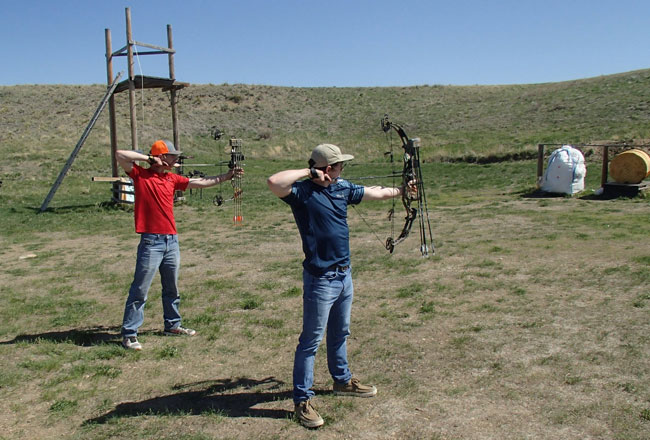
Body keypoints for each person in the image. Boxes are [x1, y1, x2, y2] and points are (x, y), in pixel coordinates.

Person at [267, 143, 410, 428]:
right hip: (321, 278)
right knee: (310, 341)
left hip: (344, 274)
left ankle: (341, 381)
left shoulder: (341, 187)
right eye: (339, 165)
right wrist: (310, 172)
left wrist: (403, 191)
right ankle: (302, 400)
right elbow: (274, 182)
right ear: (327, 168)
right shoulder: (302, 193)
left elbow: (377, 191)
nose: (343, 168)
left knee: (340, 331)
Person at [116, 139, 243, 350]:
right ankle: (130, 333)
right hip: (151, 242)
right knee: (140, 289)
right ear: (161, 157)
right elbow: (120, 154)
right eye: (172, 155)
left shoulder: (172, 179)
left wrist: (227, 176)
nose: (176, 159)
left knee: (171, 288)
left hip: (171, 241)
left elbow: (201, 183)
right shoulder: (140, 175)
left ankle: (172, 325)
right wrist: (149, 159)